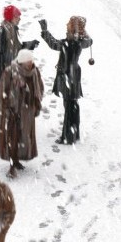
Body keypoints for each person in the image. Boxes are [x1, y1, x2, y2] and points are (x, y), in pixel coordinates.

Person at [39, 16, 93, 145]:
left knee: (69, 106)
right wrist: (82, 33)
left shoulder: (68, 43)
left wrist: (45, 31)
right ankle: (74, 134)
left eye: (69, 25)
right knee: (73, 105)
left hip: (67, 76)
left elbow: (53, 44)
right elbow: (90, 41)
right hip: (74, 75)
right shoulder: (80, 41)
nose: (66, 26)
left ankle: (68, 137)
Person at [0, 49, 44, 178]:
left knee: (23, 137)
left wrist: (35, 103)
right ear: (22, 62)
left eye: (31, 61)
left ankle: (17, 160)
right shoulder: (10, 72)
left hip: (27, 112)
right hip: (13, 111)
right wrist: (7, 106)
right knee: (13, 138)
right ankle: (12, 166)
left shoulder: (34, 73)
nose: (30, 64)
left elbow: (40, 87)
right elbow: (3, 91)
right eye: (28, 62)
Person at [0, 5, 40, 84]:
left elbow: (17, 48)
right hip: (7, 74)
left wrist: (30, 44)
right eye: (17, 16)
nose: (19, 19)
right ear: (11, 17)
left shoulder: (12, 30)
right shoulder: (3, 31)